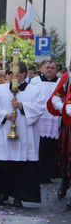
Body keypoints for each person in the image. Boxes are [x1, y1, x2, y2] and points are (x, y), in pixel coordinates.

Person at [0, 62, 45, 208]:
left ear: (23, 74)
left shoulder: (34, 90)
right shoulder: (0, 89)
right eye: (10, 73)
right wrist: (5, 115)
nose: (11, 75)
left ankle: (19, 196)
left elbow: (40, 107)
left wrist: (22, 106)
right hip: (5, 131)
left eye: (15, 73)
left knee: (20, 166)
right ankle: (2, 193)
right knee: (3, 164)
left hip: (25, 133)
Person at [29, 61, 61, 184]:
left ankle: (47, 174)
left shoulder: (60, 82)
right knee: (38, 147)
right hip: (39, 117)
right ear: (42, 69)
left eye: (52, 68)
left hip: (54, 119)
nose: (49, 70)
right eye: (47, 67)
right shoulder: (35, 81)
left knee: (51, 148)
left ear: (56, 70)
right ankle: (36, 173)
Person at [47, 68, 71, 207]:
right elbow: (57, 95)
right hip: (69, 124)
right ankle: (65, 182)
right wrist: (62, 107)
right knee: (68, 158)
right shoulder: (68, 77)